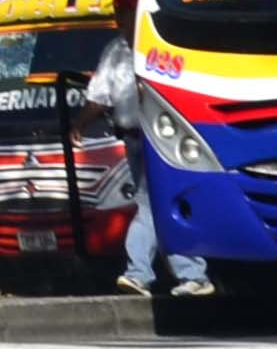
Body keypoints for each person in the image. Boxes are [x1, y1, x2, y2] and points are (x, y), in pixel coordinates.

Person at [86, 25, 208, 298]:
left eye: (125, 12)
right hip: (132, 139)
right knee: (159, 206)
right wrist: (79, 125)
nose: (120, 20)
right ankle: (192, 274)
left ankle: (140, 273)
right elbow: (99, 95)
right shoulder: (116, 51)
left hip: (160, 139)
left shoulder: (160, 44)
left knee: (151, 204)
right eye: (117, 13)